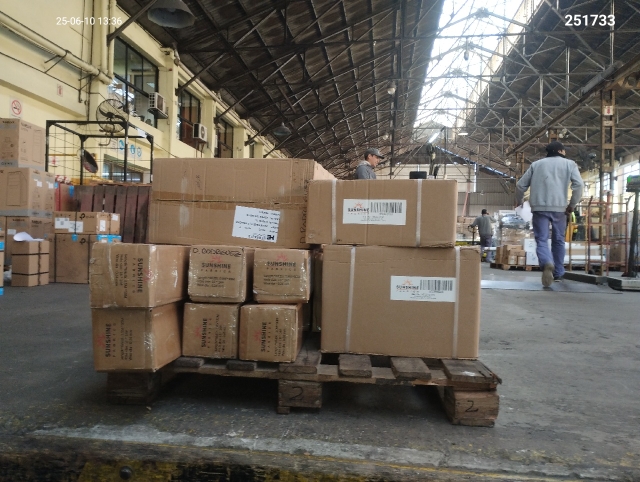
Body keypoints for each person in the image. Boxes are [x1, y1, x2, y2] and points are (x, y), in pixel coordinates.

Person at [516, 141, 584, 287]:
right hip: (560, 208)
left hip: (539, 208)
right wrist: (572, 205)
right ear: (560, 151)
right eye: (564, 150)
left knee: (541, 239)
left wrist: (520, 201)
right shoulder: (570, 164)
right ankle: (558, 272)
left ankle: (546, 261)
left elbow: (520, 185)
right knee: (558, 240)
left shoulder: (536, 165)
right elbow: (579, 185)